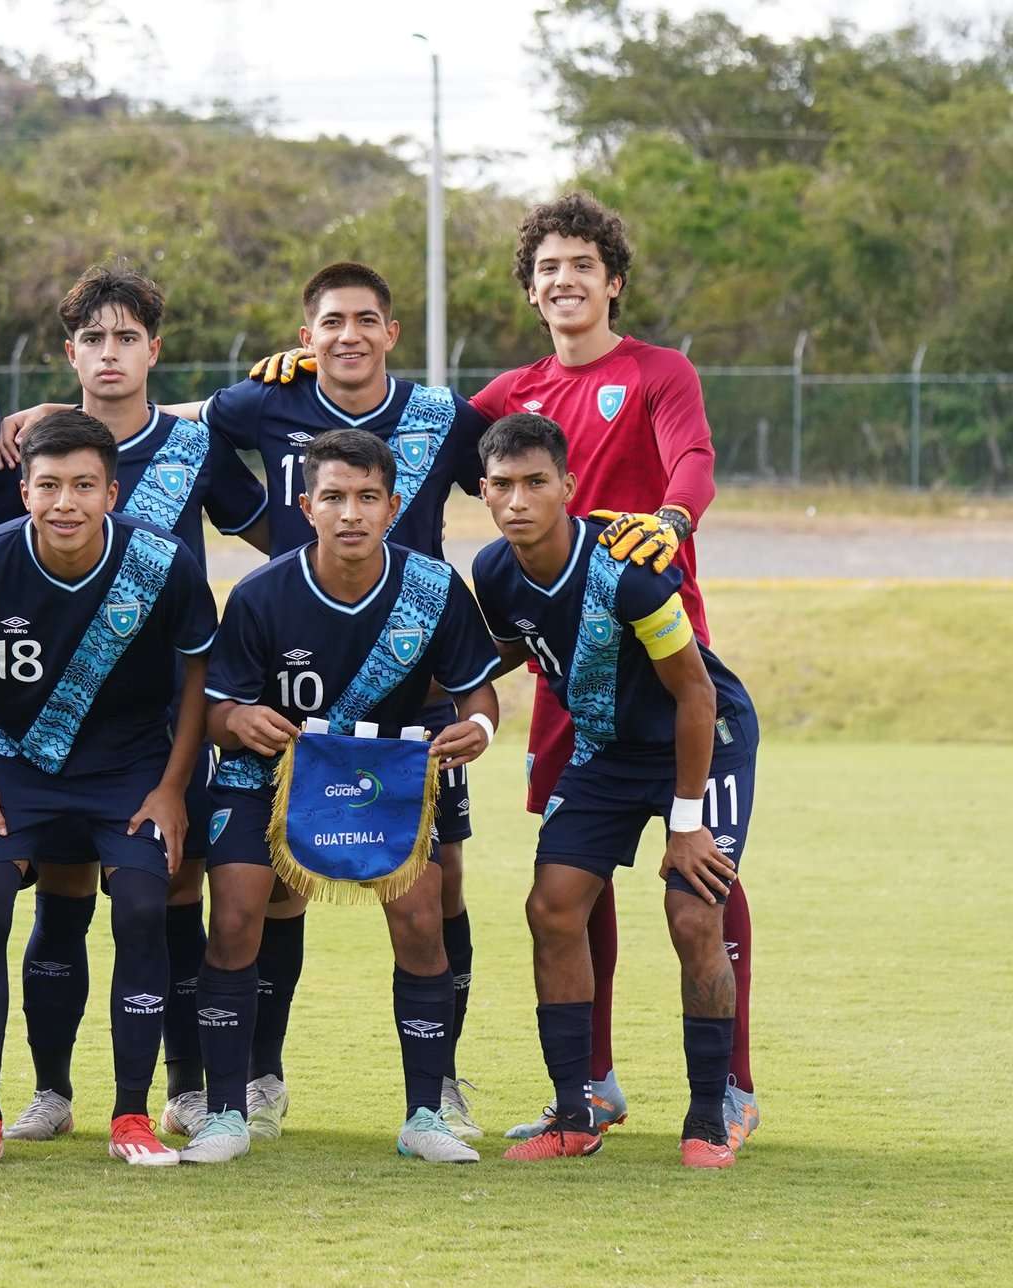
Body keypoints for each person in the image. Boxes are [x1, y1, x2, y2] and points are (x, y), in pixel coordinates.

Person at [238, 201, 753, 1149]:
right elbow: (391, 423)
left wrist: (673, 520)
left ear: (612, 280)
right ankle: (585, 1088)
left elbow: (694, 459)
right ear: (531, 286)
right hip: (571, 688)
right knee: (562, 892)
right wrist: (305, 374)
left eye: (582, 265)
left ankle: (729, 1091)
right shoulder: (508, 400)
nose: (565, 280)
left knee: (699, 887)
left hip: (664, 656)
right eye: (548, 267)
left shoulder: (658, 372)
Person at [0, 262, 268, 1146]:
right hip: (42, 716)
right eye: (93, 339)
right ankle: (51, 1090)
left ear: (154, 350)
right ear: (70, 352)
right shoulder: (28, 449)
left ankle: (177, 1086)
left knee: (167, 890)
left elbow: (279, 536)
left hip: (155, 719)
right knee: (58, 896)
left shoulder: (192, 449)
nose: (110, 354)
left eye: (126, 338)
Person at [191, 428, 499, 1164]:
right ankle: (227, 1112)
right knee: (235, 912)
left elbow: (476, 687)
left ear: (394, 506)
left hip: (383, 769)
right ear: (306, 506)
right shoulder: (263, 592)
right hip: (268, 771)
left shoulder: (432, 587)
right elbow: (212, 710)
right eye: (333, 497)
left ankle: (425, 1112)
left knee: (423, 915)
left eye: (367, 498)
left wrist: (480, 723)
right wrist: (237, 718)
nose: (351, 513)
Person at [470, 413, 756, 1167]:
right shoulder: (494, 572)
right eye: (503, 485)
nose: (519, 499)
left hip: (703, 742)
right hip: (607, 750)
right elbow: (512, 642)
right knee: (553, 905)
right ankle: (574, 1116)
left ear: (568, 487)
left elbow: (695, 694)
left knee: (693, 913)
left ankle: (705, 1120)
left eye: (537, 482)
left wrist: (687, 823)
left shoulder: (628, 569)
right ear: (483, 494)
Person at [0, 411, 218, 1168]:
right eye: (50, 484)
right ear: (23, 489)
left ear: (111, 492)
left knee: (141, 906)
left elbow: (198, 676)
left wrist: (170, 788)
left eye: (84, 485)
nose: (66, 502)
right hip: (11, 765)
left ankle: (131, 1113)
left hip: (126, 772)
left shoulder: (163, 565)